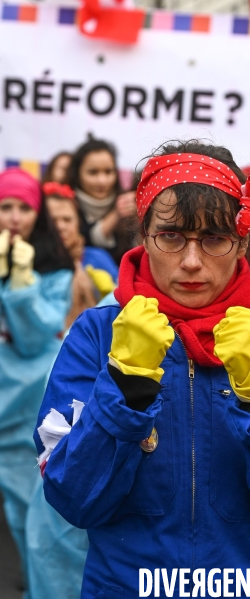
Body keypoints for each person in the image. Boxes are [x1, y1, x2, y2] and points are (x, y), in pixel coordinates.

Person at [35, 141, 250, 598]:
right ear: (144, 234)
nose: (192, 261)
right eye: (172, 235)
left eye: (215, 238)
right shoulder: (99, 335)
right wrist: (124, 390)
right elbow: (74, 500)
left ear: (243, 240)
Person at [0, 168, 73, 594]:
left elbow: (32, 337)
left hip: (32, 400)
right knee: (14, 510)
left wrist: (20, 285)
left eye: (23, 208)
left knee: (37, 511)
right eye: (5, 207)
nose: (13, 217)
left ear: (37, 213)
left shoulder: (55, 265)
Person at [43, 181, 118, 329]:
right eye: (53, 220)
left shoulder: (98, 257)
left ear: (78, 223)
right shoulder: (33, 263)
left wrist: (109, 296)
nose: (60, 226)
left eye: (67, 219)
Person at [67, 137, 134, 263]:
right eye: (93, 172)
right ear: (77, 174)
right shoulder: (65, 205)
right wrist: (116, 213)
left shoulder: (130, 203)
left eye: (108, 172)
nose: (102, 181)